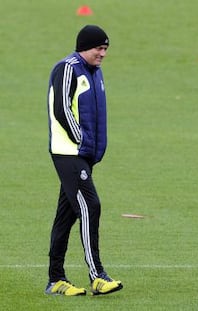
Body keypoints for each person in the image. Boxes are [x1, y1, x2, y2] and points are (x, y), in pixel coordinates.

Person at [45, 25, 123, 296]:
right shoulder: (67, 68)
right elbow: (62, 109)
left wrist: (93, 147)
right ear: (84, 47)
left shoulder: (95, 73)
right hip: (68, 152)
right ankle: (97, 275)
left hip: (84, 154)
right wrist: (81, 139)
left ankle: (55, 280)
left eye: (105, 49)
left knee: (65, 216)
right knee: (91, 205)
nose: (103, 53)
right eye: (98, 48)